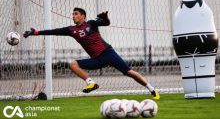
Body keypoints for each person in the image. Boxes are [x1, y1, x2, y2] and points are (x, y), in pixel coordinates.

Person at [23, 7, 160, 100]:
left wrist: (105, 17)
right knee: (72, 63)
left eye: (76, 14)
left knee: (129, 72)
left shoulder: (91, 24)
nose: (73, 16)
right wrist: (35, 32)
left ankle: (151, 89)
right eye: (73, 14)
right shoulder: (71, 30)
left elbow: (106, 23)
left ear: (83, 16)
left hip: (108, 53)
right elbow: (54, 31)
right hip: (96, 59)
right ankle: (91, 83)